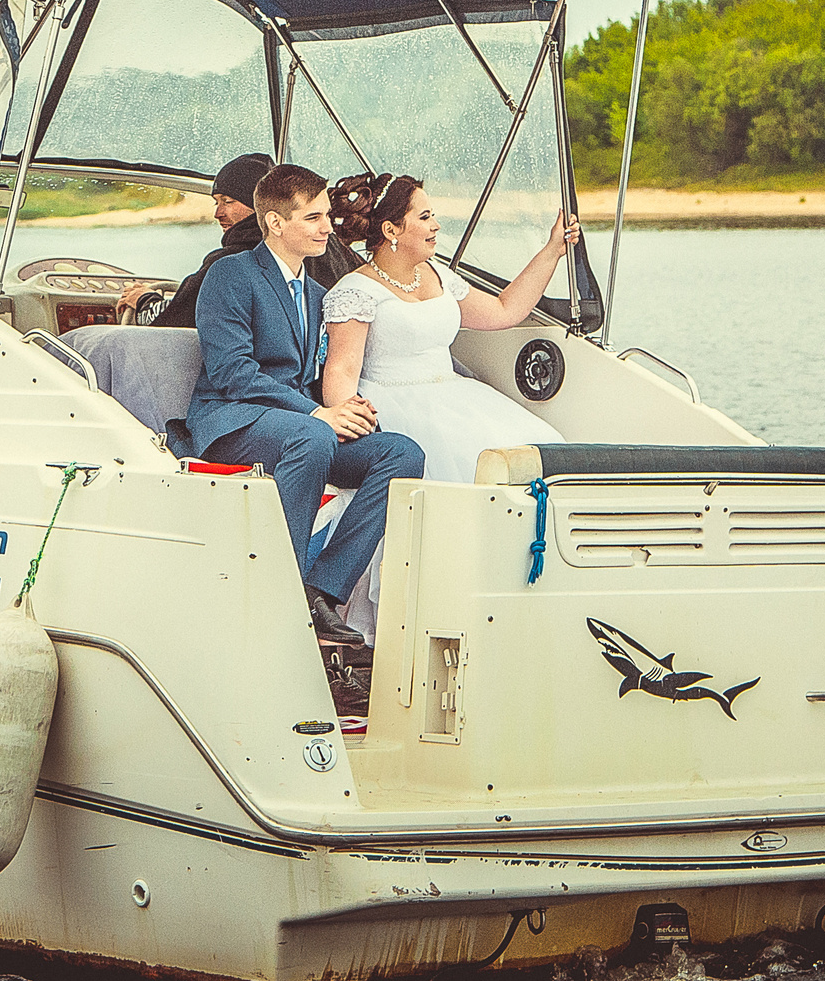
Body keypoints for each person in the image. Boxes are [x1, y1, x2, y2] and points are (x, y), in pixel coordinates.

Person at [178, 164, 424, 648]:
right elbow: (232, 373)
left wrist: (350, 410)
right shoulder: (231, 275)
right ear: (275, 223)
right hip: (233, 420)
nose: (328, 228)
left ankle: (321, 592)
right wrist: (316, 414)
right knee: (313, 435)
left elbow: (312, 377)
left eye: (326, 215)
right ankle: (279, 590)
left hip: (297, 427)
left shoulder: (316, 293)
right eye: (313, 218)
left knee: (400, 452)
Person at [319, 174, 581, 485]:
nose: (436, 226)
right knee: (474, 463)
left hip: (456, 396)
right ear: (391, 230)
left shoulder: (437, 274)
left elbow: (504, 310)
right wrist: (355, 430)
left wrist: (553, 250)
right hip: (396, 406)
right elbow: (340, 371)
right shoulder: (355, 292)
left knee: (539, 446)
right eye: (425, 217)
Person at [142, 152, 360, 329]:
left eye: (228, 201)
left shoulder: (227, 265)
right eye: (217, 202)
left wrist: (144, 300)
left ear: (257, 203)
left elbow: (169, 322)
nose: (218, 213)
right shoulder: (332, 246)